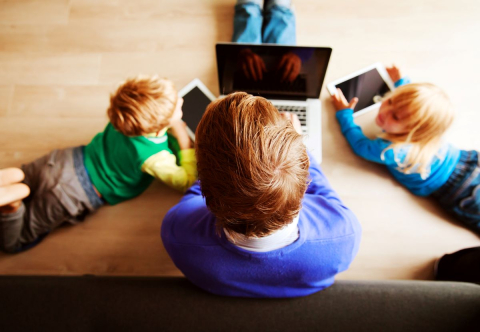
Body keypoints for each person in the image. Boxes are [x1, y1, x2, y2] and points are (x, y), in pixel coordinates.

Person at [161, 92, 361, 298]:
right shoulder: (344, 233)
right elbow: (323, 191)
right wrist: (297, 146)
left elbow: (195, 193)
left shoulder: (178, 232)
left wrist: (201, 159)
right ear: (303, 181)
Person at [0, 76, 197, 253]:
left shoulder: (124, 117)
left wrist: (168, 123)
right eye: (176, 107)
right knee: (15, 241)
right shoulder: (154, 158)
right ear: (156, 127)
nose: (181, 100)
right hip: (72, 193)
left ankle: (17, 177)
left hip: (62, 160)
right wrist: (184, 141)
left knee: (28, 178)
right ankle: (12, 206)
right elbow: (186, 181)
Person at [331, 65, 480, 234]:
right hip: (467, 161)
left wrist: (345, 115)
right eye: (390, 100)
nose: (384, 111)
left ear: (415, 131)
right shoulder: (426, 129)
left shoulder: (391, 151)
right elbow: (413, 105)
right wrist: (401, 82)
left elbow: (361, 146)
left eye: (395, 116)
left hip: (458, 191)